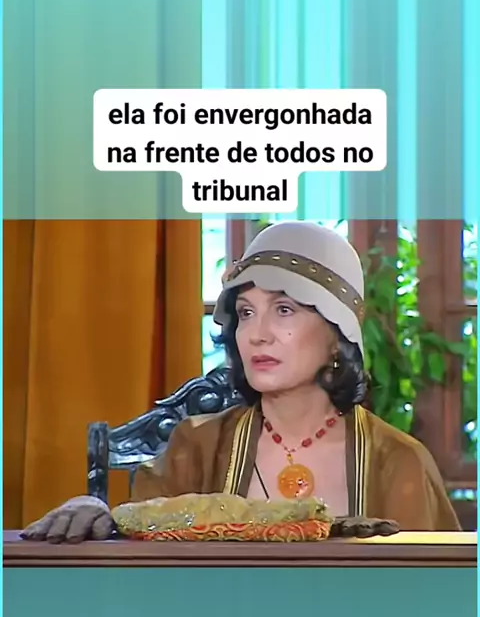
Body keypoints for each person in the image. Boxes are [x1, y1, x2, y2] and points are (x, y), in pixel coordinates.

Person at [22, 221, 460, 543]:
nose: (257, 334)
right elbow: (141, 556)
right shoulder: (196, 446)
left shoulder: (398, 462)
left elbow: (432, 601)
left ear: (337, 336)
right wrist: (99, 513)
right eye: (246, 312)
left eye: (284, 310)